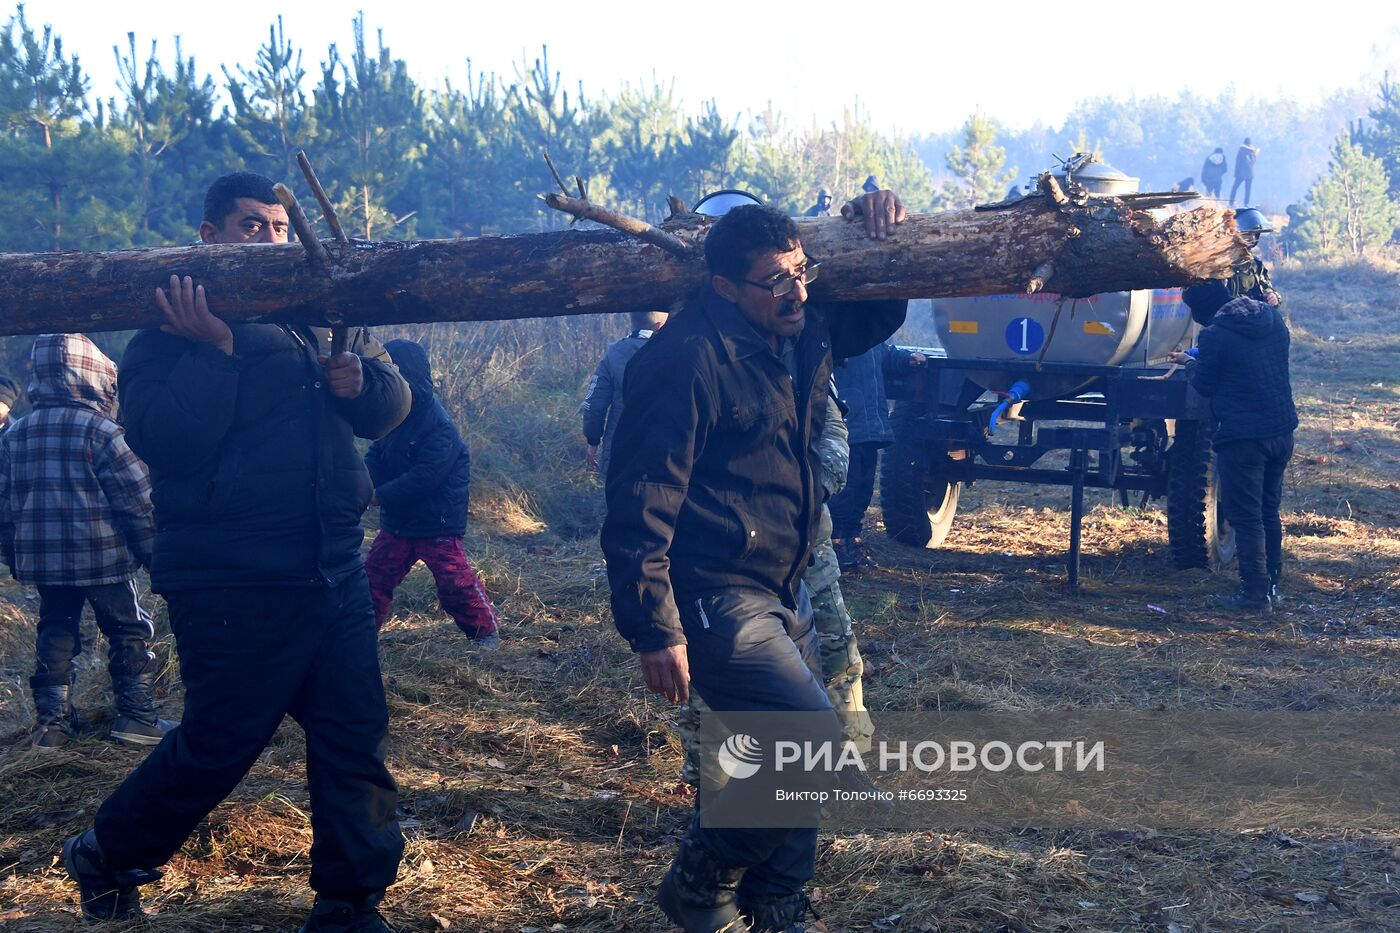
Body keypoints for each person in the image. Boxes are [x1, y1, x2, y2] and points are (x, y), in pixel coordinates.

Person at [61, 171, 411, 932]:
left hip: (332, 568)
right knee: (221, 742)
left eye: (280, 227)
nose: (271, 240)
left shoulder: (313, 316)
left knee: (354, 733)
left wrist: (362, 383)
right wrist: (217, 352)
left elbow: (390, 410)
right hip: (233, 580)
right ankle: (104, 854)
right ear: (209, 238)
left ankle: (350, 902)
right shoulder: (159, 336)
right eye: (251, 226)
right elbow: (169, 445)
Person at [602, 190, 907, 932]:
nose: (797, 292)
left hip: (786, 581)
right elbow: (638, 500)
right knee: (808, 747)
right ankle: (701, 874)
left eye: (803, 272)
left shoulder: (798, 329)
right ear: (725, 289)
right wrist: (654, 628)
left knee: (771, 753)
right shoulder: (681, 363)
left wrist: (884, 230)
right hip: (713, 592)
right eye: (776, 280)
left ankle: (777, 908)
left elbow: (881, 313)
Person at [0, 334, 173, 749]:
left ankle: (52, 725)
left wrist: (14, 555)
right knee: (128, 628)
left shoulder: (15, 435)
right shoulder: (104, 432)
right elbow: (137, 501)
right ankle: (136, 717)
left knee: (55, 631)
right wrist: (154, 554)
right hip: (104, 560)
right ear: (95, 376)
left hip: (46, 562)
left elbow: (3, 505)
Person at [365, 338, 499, 645]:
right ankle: (360, 634)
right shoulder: (391, 416)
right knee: (374, 579)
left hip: (436, 523)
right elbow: (376, 454)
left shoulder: (439, 427)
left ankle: (484, 633)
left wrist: (379, 495)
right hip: (398, 524)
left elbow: (425, 477)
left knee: (455, 583)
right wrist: (367, 480)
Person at [1175, 280, 1297, 612]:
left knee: (1245, 517)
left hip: (1243, 437)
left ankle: (1254, 595)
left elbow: (1204, 385)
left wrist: (1189, 362)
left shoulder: (1214, 335)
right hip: (1281, 430)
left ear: (1203, 309)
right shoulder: (1273, 321)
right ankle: (1272, 587)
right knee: (1268, 511)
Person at [828, 341, 927, 571]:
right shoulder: (840, 337)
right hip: (849, 427)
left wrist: (907, 358)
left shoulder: (869, 338)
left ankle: (853, 542)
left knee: (862, 491)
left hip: (870, 429)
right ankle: (838, 545)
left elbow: (885, 353)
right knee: (845, 491)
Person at [581, 310, 668, 477]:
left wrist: (593, 441)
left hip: (619, 446)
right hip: (663, 446)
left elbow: (594, 404)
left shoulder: (614, 353)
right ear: (660, 326)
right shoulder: (676, 352)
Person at [1229, 138, 1259, 206]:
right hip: (1250, 173)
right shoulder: (1253, 152)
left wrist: (1235, 173)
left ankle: (1231, 202)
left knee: (1234, 187)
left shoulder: (1241, 151)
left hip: (1240, 173)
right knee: (1248, 189)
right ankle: (1246, 203)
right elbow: (1253, 162)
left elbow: (1237, 163)